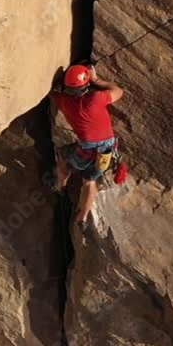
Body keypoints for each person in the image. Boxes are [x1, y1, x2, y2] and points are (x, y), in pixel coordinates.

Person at [51, 63, 124, 231]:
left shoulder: (64, 101)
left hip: (86, 151)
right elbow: (118, 91)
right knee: (89, 181)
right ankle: (82, 217)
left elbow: (51, 93)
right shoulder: (96, 98)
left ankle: (61, 186)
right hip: (107, 149)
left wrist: (56, 86)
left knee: (62, 154)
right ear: (87, 84)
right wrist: (96, 80)